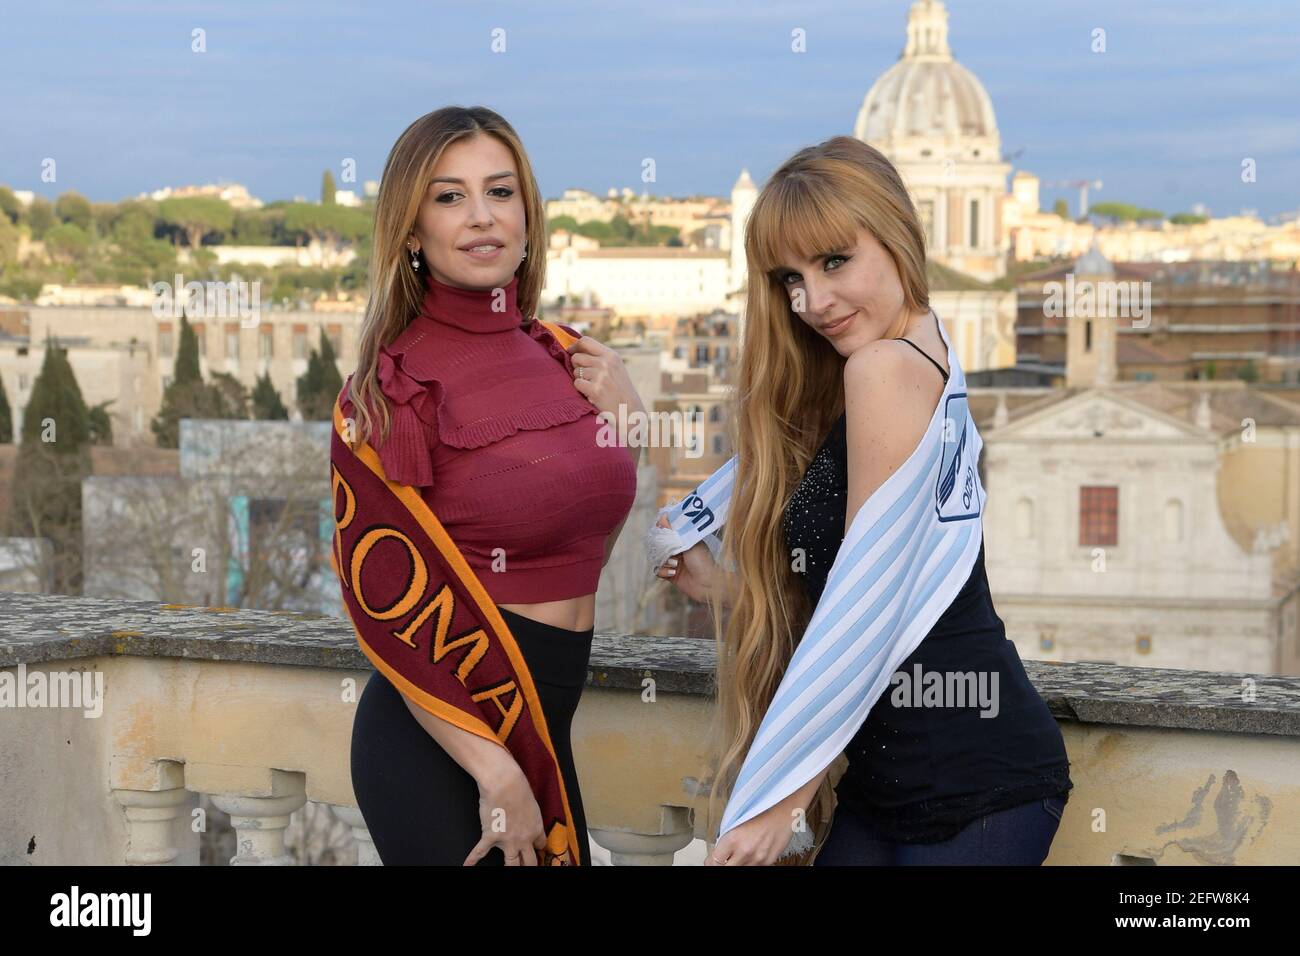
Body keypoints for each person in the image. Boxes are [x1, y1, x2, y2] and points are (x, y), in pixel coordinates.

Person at [652, 135, 1072, 866]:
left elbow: (866, 606)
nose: (811, 301)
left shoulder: (882, 368)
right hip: (896, 781)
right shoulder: (927, 349)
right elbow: (867, 585)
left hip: (974, 785)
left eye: (834, 261)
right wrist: (720, 583)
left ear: (897, 235)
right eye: (790, 278)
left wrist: (783, 795)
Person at [339, 106, 643, 865]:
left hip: (543, 726)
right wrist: (496, 772)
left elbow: (583, 518)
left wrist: (630, 421)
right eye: (449, 197)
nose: (481, 218)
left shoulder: (568, 356)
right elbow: (385, 609)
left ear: (529, 214)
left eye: (500, 192)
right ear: (411, 230)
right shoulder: (388, 393)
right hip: (449, 747)